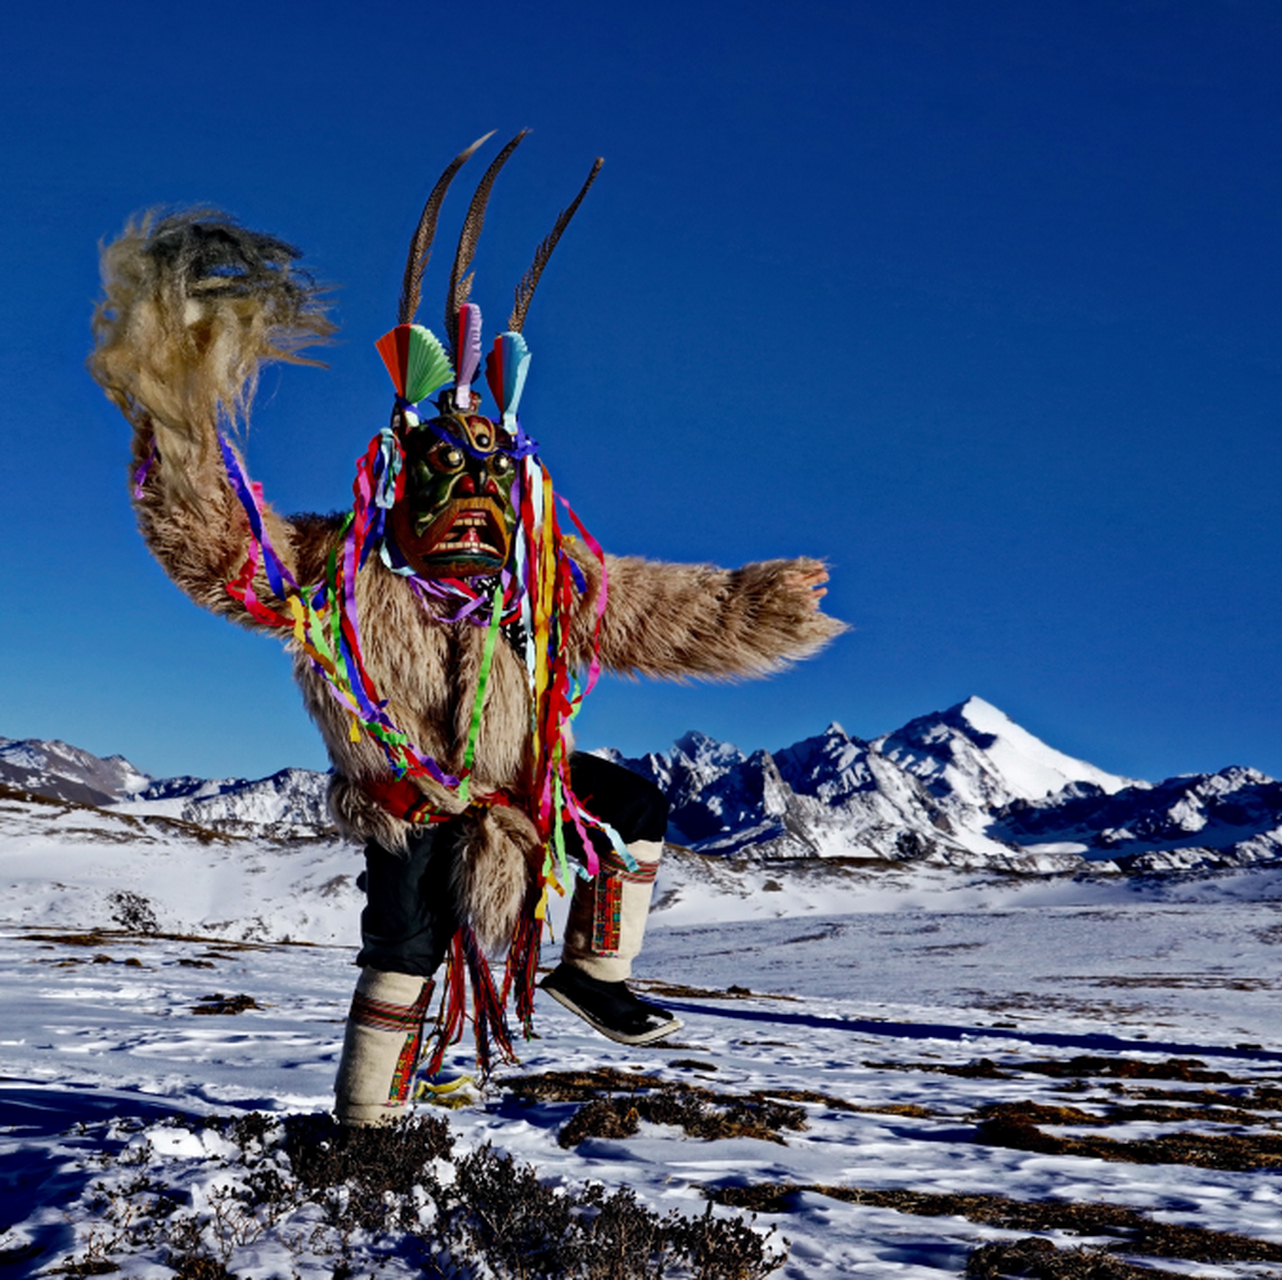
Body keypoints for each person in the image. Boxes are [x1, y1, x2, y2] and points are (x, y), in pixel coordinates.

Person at [89, 133, 844, 1126]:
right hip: (404, 795)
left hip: (515, 783)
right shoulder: (337, 565)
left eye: (492, 479)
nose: (474, 501)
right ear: (403, 479)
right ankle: (369, 1122)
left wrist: (757, 602)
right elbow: (226, 551)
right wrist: (180, 424)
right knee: (405, 941)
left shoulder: (541, 581)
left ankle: (594, 969)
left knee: (632, 809)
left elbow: (657, 608)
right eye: (448, 476)